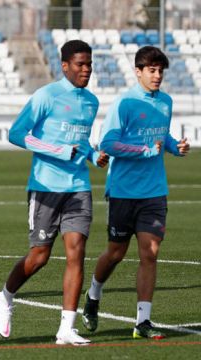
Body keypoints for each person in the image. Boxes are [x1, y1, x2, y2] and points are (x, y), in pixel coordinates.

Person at [0, 40, 109, 346]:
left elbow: (81, 142)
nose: (86, 70)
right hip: (45, 187)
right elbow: (17, 134)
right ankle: (5, 296)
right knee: (39, 257)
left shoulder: (91, 102)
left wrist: (92, 155)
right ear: (65, 66)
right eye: (80, 64)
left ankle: (66, 328)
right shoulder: (46, 95)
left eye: (90, 64)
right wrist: (58, 150)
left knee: (77, 252)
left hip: (78, 188)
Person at [81, 46, 189, 340]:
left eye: (160, 71)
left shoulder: (165, 101)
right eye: (151, 70)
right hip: (123, 191)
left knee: (150, 253)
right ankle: (93, 293)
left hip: (154, 191)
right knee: (115, 253)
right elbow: (109, 144)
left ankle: (143, 322)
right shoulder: (124, 103)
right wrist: (143, 151)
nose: (157, 76)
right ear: (138, 71)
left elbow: (161, 135)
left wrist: (174, 146)